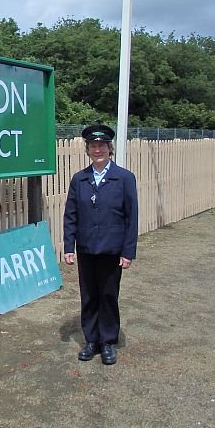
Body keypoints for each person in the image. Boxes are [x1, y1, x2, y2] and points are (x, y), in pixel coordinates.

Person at [63, 124, 138, 365]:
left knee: (107, 294)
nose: (98, 150)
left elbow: (131, 217)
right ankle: (91, 341)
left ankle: (107, 342)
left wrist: (128, 252)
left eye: (102, 146)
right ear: (87, 149)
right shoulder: (80, 179)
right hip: (86, 248)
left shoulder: (124, 178)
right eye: (93, 146)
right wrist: (68, 246)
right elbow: (71, 215)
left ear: (109, 148)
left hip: (111, 249)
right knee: (89, 295)